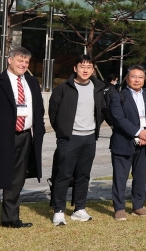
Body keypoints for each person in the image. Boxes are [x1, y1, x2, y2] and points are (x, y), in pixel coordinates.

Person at [0, 47, 45, 237]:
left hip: (25, 136)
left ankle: (10, 218)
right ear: (9, 60)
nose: (23, 64)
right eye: (20, 60)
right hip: (0, 138)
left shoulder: (32, 82)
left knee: (17, 180)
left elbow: (39, 108)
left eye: (26, 62)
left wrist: (39, 129)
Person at [49, 55, 106, 225]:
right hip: (69, 138)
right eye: (82, 66)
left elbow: (102, 110)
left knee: (83, 175)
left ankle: (79, 209)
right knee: (63, 175)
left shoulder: (98, 87)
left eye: (89, 67)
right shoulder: (64, 88)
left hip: (89, 138)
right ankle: (59, 211)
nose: (85, 70)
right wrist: (63, 131)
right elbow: (53, 112)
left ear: (93, 69)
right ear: (75, 68)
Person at [109, 65, 146, 221]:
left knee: (140, 176)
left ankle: (138, 206)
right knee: (120, 177)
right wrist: (139, 132)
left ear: (144, 79)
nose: (137, 80)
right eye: (133, 76)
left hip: (144, 143)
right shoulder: (118, 96)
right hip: (124, 142)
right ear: (127, 78)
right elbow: (118, 118)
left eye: (140, 77)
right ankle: (119, 208)